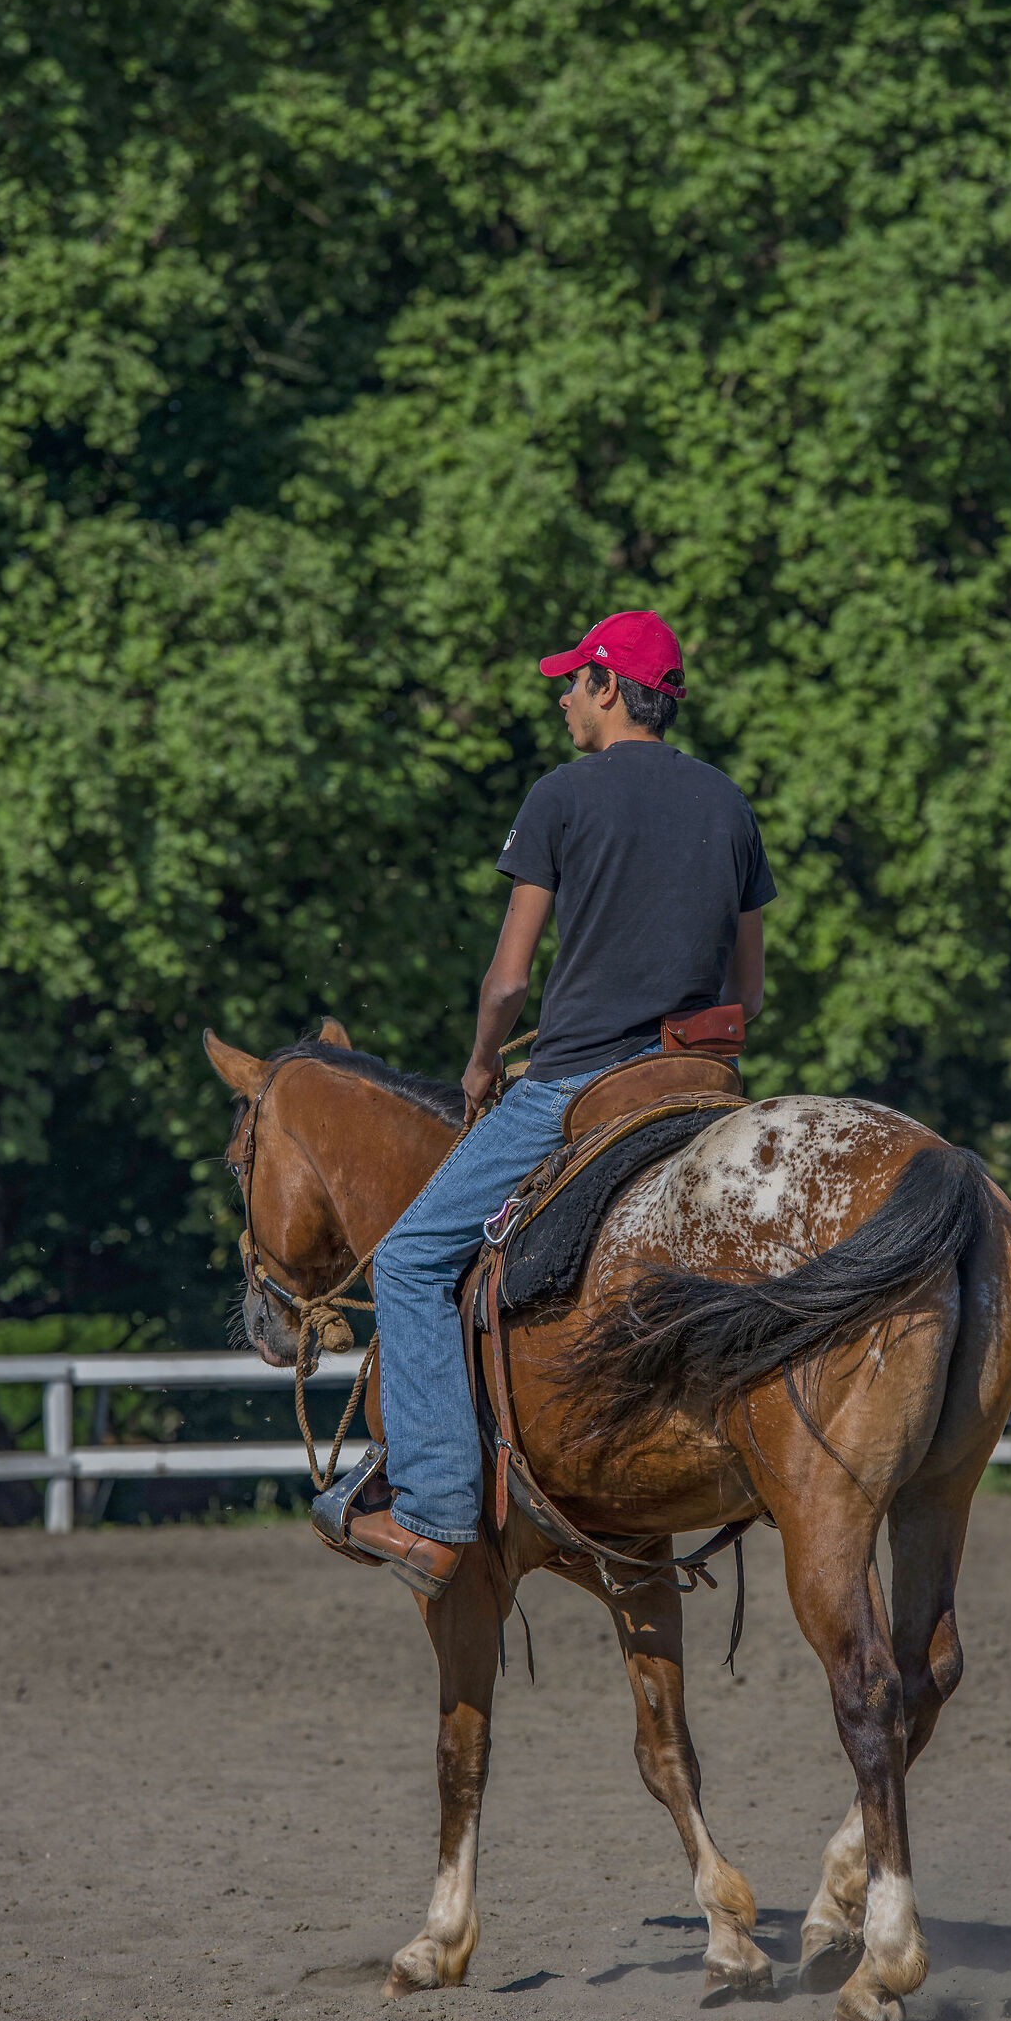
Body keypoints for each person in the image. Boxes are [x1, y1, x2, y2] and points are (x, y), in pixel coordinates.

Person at [341, 610, 776, 1592]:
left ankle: (435, 1516)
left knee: (408, 1261)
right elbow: (748, 996)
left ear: (612, 688)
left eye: (573, 681)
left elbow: (504, 981)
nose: (563, 699)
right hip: (704, 1085)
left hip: (581, 1082)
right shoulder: (729, 802)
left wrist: (484, 1064)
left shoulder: (562, 797)